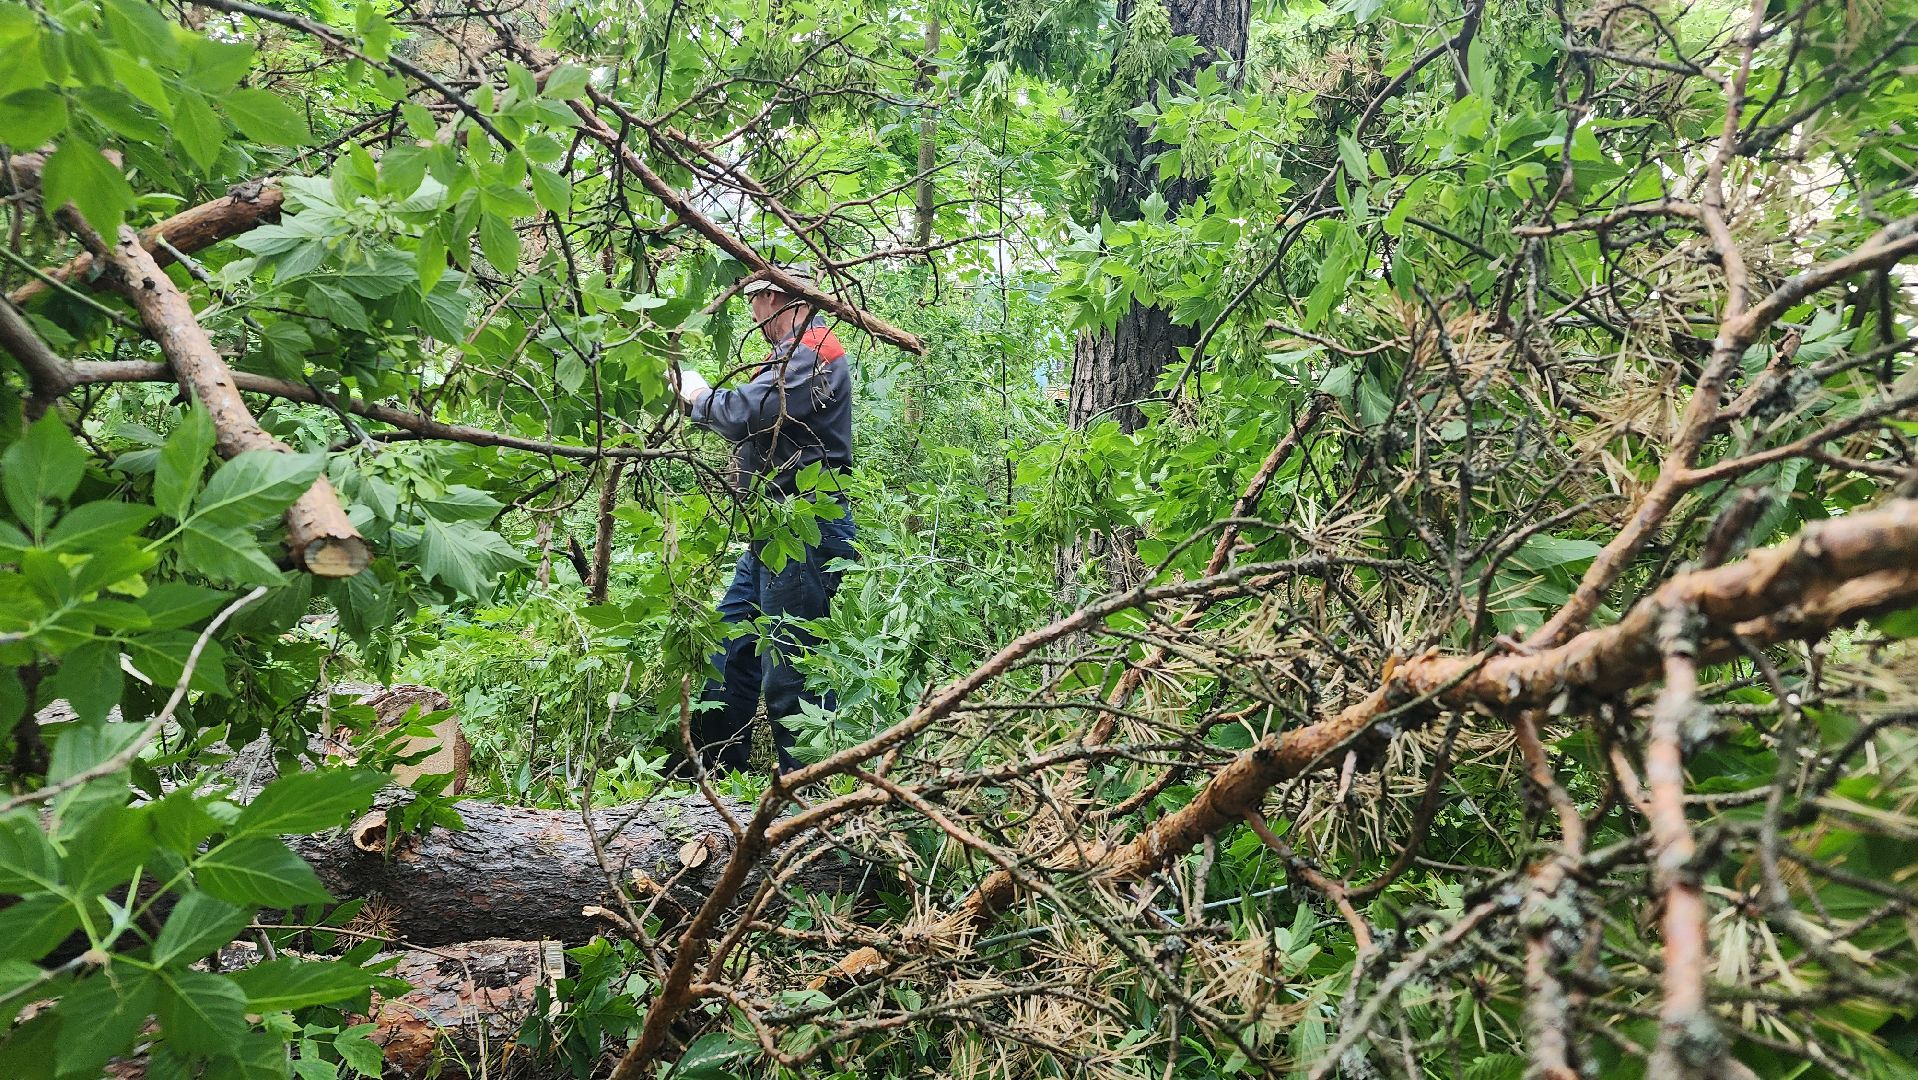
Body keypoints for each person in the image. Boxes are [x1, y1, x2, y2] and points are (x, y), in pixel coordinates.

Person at [669, 267, 857, 776]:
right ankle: (712, 782)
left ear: (773, 299)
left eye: (754, 304)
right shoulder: (786, 356)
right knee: (730, 648)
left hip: (805, 530)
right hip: (770, 532)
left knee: (790, 667)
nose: (752, 317)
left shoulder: (815, 351)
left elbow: (747, 414)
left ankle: (808, 796)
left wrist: (699, 398)